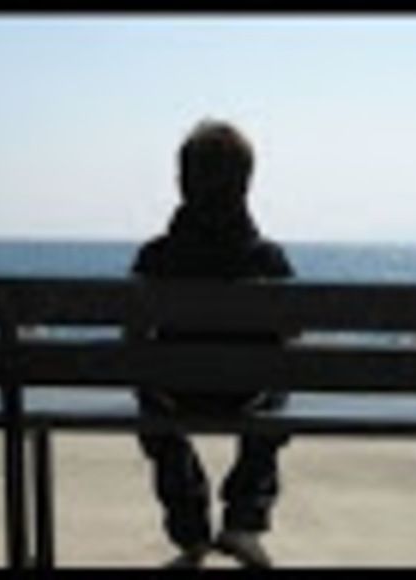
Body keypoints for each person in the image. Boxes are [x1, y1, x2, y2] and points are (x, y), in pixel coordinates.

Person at [130, 119, 294, 568]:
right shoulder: (268, 259)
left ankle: (190, 532)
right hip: (247, 396)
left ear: (183, 182)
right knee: (281, 380)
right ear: (246, 184)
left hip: (174, 395)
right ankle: (244, 518)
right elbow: (293, 332)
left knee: (144, 384)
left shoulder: (155, 257)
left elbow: (132, 338)